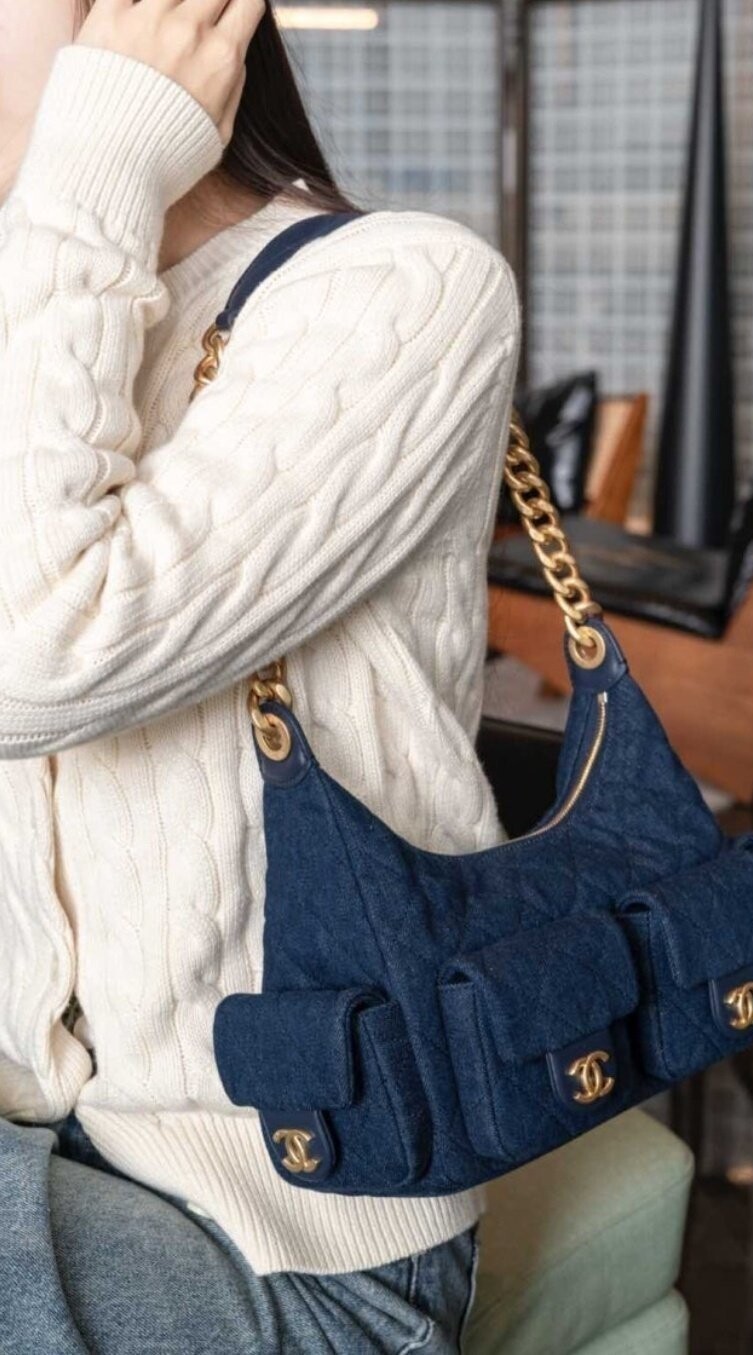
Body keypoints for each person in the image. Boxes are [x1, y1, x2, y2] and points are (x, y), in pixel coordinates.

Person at [0, 1, 521, 1350]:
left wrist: (99, 162)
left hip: (301, 1232)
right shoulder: (25, 319)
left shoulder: (402, 290)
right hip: (37, 1148)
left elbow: (29, 656)